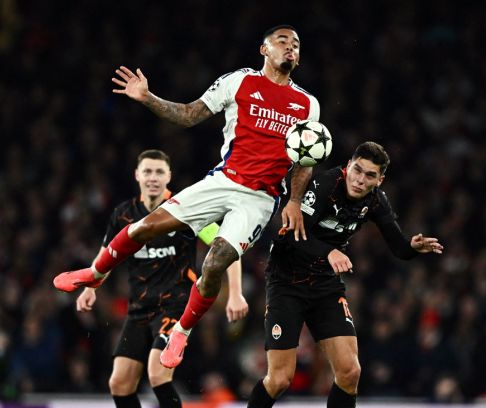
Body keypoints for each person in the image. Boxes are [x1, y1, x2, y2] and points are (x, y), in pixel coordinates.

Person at [53, 25, 320, 369]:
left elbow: (306, 161)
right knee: (146, 227)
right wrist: (148, 98)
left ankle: (181, 330)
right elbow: (190, 114)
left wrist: (295, 201)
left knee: (214, 262)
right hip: (222, 181)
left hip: (260, 198)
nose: (290, 47)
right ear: (264, 49)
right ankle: (95, 272)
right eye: (282, 41)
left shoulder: (307, 105)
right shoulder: (238, 82)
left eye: (296, 44)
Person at [229, 141, 443, 408]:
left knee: (350, 371)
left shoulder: (375, 201)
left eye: (369, 175)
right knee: (280, 378)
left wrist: (412, 248)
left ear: (380, 180)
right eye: (357, 170)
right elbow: (292, 236)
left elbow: (398, 246)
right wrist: (328, 251)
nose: (359, 180)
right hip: (286, 282)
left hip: (325, 286)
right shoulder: (323, 186)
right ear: (349, 165)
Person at [76, 149, 248, 408]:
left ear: (169, 177)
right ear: (137, 176)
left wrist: (236, 292)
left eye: (159, 171)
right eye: (147, 171)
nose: (153, 177)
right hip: (138, 309)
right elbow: (108, 252)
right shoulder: (124, 214)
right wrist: (90, 285)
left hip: (176, 306)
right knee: (120, 383)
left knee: (157, 373)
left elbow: (230, 247)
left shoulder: (187, 210)